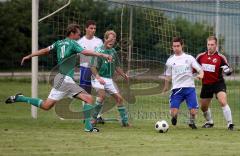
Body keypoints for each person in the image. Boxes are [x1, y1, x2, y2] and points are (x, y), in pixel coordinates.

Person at [5, 24, 112, 132]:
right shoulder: (72, 43)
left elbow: (45, 50)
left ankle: (20, 98)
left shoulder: (58, 43)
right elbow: (85, 52)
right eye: (78, 34)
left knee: (46, 106)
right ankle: (88, 128)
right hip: (65, 79)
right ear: (72, 33)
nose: (79, 36)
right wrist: (102, 55)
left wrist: (30, 55)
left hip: (60, 79)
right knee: (88, 98)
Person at [90, 30, 130, 127]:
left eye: (114, 39)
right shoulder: (98, 51)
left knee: (119, 99)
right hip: (97, 78)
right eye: (110, 38)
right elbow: (92, 67)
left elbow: (117, 66)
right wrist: (99, 78)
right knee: (102, 96)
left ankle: (125, 122)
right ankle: (93, 119)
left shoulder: (113, 52)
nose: (112, 41)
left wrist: (124, 75)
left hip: (108, 79)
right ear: (105, 39)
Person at [163, 37, 204, 129]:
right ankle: (174, 117)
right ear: (172, 47)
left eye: (178, 46)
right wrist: (165, 87)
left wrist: (201, 75)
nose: (176, 48)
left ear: (182, 46)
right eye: (174, 46)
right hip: (177, 89)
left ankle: (191, 122)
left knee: (193, 112)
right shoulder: (170, 61)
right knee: (173, 112)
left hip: (189, 88)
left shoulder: (189, 58)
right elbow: (168, 76)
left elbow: (200, 69)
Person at [196, 36, 234, 130]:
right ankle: (209, 122)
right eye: (208, 44)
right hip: (206, 84)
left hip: (218, 83)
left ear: (216, 45)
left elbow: (228, 71)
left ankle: (230, 124)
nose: (210, 46)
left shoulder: (221, 58)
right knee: (203, 107)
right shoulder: (200, 57)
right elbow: (193, 68)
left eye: (212, 44)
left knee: (222, 101)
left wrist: (227, 70)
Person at [77, 20, 105, 124]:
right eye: (91, 28)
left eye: (94, 28)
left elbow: (102, 56)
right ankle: (86, 116)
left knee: (101, 93)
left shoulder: (99, 41)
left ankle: (98, 115)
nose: (93, 30)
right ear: (86, 29)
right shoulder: (80, 42)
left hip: (96, 70)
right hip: (84, 69)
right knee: (86, 94)